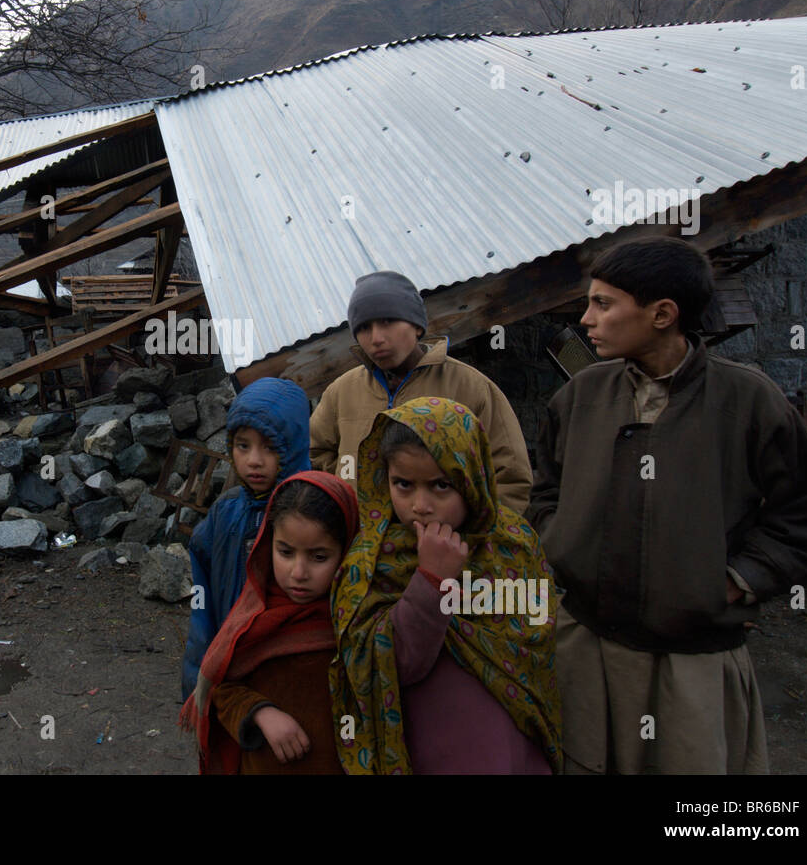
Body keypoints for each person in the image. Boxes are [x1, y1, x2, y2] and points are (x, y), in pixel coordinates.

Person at [527, 236, 807, 774]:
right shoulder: (581, 396)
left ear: (662, 314)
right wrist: (565, 543)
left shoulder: (747, 400)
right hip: (588, 645)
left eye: (603, 304)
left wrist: (736, 579)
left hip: (692, 659)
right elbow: (546, 491)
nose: (586, 319)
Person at [331, 397, 562, 773]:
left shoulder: (513, 546)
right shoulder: (373, 560)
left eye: (441, 485)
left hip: (514, 752)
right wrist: (430, 582)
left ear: (473, 479)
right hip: (426, 754)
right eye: (403, 484)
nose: (420, 505)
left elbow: (535, 655)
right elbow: (380, 666)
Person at [309, 270, 532, 514]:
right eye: (363, 327)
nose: (376, 338)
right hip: (363, 546)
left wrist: (473, 540)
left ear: (416, 325)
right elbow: (315, 453)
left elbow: (511, 476)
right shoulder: (342, 392)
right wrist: (351, 491)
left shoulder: (470, 386)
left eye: (387, 321)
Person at [179, 472, 359, 774]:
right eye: (285, 552)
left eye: (318, 556)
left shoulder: (358, 622)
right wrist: (259, 713)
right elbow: (221, 689)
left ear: (347, 551)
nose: (298, 572)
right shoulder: (251, 620)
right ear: (266, 544)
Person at [182, 376, 310, 700]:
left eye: (270, 446)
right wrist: (196, 678)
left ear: (293, 445)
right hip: (228, 667)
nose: (254, 460)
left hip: (290, 673)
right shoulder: (225, 512)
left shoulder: (310, 513)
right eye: (243, 445)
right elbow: (202, 610)